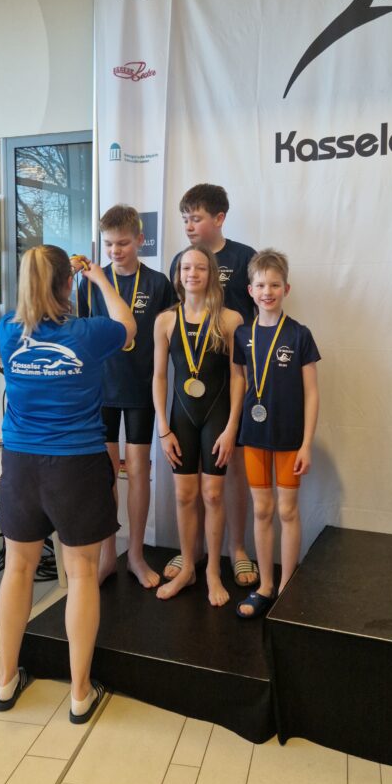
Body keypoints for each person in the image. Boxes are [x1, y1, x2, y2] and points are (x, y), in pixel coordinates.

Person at [0, 245, 136, 722]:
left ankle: (5, 681)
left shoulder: (8, 330)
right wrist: (100, 279)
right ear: (65, 283)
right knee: (80, 575)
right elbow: (127, 324)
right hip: (76, 466)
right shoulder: (88, 333)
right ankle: (79, 694)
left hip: (20, 465)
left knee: (17, 569)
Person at [76, 205, 174, 587]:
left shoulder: (158, 283)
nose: (115, 250)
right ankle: (107, 556)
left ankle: (135, 554)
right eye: (109, 244)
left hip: (140, 389)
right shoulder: (91, 282)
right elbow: (81, 335)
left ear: (140, 240)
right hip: (100, 390)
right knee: (105, 475)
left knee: (137, 471)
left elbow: (167, 339)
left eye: (123, 243)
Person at [168, 183, 258, 588]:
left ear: (219, 219)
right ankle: (192, 552)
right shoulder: (181, 260)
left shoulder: (243, 257)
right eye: (185, 219)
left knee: (230, 470)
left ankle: (236, 548)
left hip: (233, 379)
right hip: (193, 380)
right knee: (193, 483)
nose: (189, 226)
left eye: (196, 218)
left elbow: (259, 317)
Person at [153, 245, 244, 606]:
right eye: (186, 268)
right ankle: (188, 566)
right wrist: (163, 428)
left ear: (212, 274)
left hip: (217, 417)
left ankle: (213, 572)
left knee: (213, 495)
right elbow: (160, 377)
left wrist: (232, 426)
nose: (193, 273)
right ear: (178, 275)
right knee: (184, 495)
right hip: (181, 419)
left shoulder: (230, 320)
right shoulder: (165, 321)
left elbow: (238, 377)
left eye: (200, 268)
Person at [232, 249, 320, 619]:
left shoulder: (300, 335)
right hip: (254, 436)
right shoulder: (242, 334)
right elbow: (238, 382)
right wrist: (232, 428)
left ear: (286, 288)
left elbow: (312, 393)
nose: (267, 291)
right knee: (263, 509)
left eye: (274, 285)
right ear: (250, 290)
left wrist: (306, 444)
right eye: (261, 285)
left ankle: (286, 585)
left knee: (287, 510)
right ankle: (265, 585)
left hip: (288, 438)